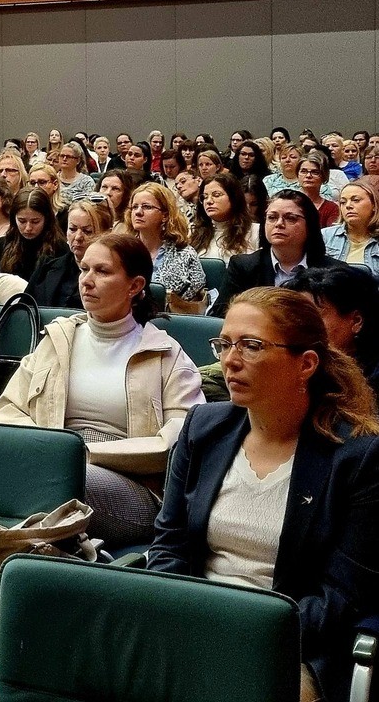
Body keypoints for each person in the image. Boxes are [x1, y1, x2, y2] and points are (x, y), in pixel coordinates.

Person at [147, 287, 379, 702]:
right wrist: (185, 619)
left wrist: (244, 630)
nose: (230, 360)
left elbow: (341, 598)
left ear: (305, 364)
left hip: (292, 643)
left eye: (251, 346)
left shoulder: (358, 456)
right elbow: (170, 545)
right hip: (190, 624)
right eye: (225, 344)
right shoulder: (204, 427)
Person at [0, 233, 204, 546]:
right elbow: (10, 410)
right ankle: (47, 555)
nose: (87, 281)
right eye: (84, 269)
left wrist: (81, 455)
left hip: (133, 487)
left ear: (134, 286)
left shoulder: (165, 354)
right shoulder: (57, 340)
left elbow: (177, 442)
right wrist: (47, 450)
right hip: (48, 464)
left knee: (62, 481)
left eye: (102, 272)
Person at [215, 190, 337, 318]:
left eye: (290, 218)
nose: (279, 224)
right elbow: (221, 316)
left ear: (310, 225)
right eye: (272, 217)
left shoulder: (332, 271)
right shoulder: (242, 267)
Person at [126, 183, 207, 313]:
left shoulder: (185, 254)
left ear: (165, 215)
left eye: (146, 207)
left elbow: (191, 303)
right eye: (134, 207)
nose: (138, 212)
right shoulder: (122, 251)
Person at [27, 200, 114, 309]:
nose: (78, 237)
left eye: (87, 231)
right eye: (72, 229)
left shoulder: (114, 274)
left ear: (106, 234)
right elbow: (24, 308)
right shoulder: (47, 265)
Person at [0, 187, 67, 282]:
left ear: (46, 219)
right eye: (22, 221)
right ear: (14, 218)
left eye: (35, 222)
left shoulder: (60, 249)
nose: (28, 228)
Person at [194, 170, 261, 262]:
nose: (209, 201)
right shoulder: (194, 233)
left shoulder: (255, 231)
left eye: (216, 195)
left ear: (234, 198)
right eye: (205, 197)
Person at [322, 175, 379, 275]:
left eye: (356, 200)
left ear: (374, 205)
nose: (348, 206)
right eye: (343, 202)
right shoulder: (325, 236)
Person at [300, 154, 340, 228]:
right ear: (297, 175)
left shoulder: (331, 208)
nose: (308, 175)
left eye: (315, 172)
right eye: (303, 171)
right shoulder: (287, 203)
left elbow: (330, 235)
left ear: (324, 176)